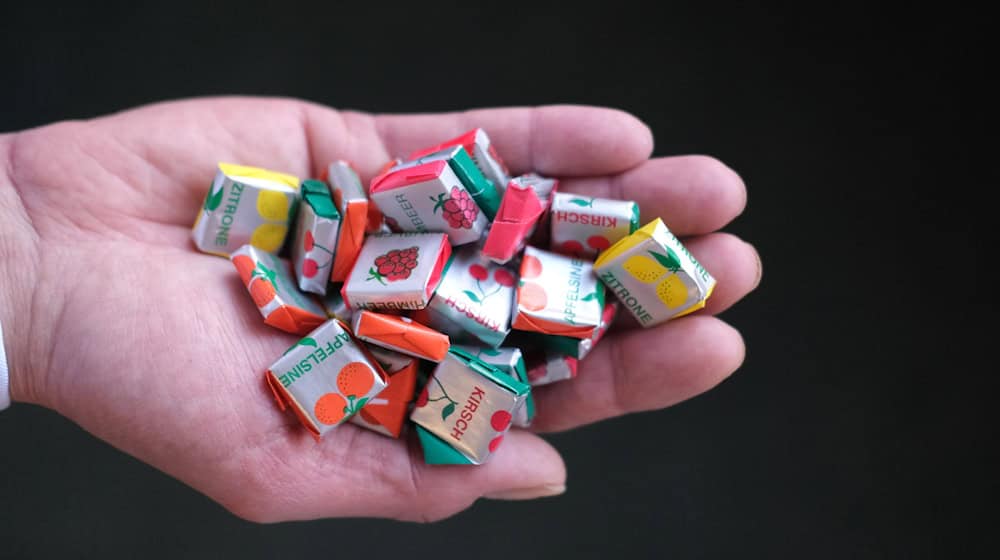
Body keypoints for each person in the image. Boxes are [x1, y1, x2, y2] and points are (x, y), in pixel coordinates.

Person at [0, 97, 761, 522]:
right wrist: (31, 277)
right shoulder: (358, 262)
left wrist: (34, 280)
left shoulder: (511, 277)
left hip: (482, 315)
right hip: (405, 310)